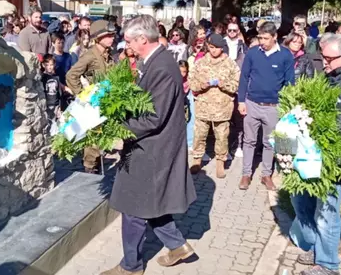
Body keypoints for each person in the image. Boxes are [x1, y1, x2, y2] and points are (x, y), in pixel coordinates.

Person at [104, 15, 196, 275]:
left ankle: (131, 266)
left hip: (153, 149)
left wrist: (119, 129)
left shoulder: (162, 67)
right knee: (151, 201)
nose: (127, 46)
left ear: (143, 39)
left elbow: (153, 118)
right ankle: (178, 246)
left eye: (130, 41)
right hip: (152, 146)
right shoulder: (154, 61)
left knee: (133, 206)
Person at [291, 33, 341, 275]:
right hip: (314, 157)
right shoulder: (330, 78)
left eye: (328, 58)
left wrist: (323, 137)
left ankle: (327, 264)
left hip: (338, 162)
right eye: (322, 57)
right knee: (300, 199)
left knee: (325, 212)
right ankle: (315, 246)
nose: (323, 62)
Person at [237, 22, 294, 191]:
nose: (262, 41)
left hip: (273, 106)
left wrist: (287, 105)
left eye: (265, 38)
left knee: (269, 142)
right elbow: (244, 77)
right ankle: (246, 174)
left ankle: (266, 174)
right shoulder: (253, 53)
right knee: (249, 141)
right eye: (260, 38)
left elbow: (289, 82)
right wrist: (241, 101)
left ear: (275, 37)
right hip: (252, 103)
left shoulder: (285, 55)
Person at [66, 20, 116, 174]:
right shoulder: (91, 55)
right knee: (93, 137)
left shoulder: (107, 54)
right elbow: (71, 75)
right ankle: (89, 168)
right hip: (94, 103)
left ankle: (96, 164)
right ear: (98, 37)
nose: (112, 38)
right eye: (108, 35)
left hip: (106, 101)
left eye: (112, 35)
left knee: (101, 137)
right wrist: (82, 96)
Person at [188, 34, 240, 178]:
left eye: (216, 48)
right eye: (211, 47)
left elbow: (236, 84)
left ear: (222, 48)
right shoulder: (200, 63)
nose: (214, 50)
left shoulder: (230, 64)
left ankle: (220, 162)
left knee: (222, 137)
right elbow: (192, 82)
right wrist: (202, 85)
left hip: (222, 108)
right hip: (203, 106)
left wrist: (223, 84)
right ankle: (197, 160)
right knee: (199, 135)